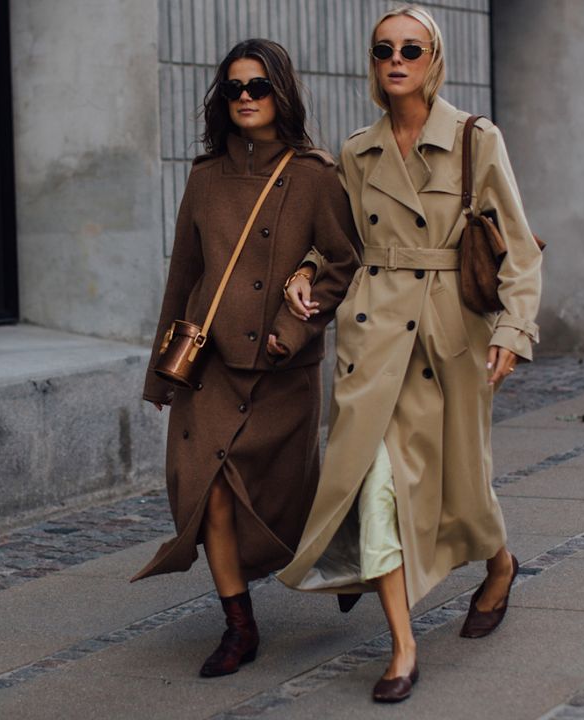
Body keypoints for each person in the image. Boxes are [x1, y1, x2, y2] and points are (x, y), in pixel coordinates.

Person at [277, 4, 543, 703]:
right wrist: (306, 272)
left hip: (448, 335)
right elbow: (340, 243)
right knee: (379, 486)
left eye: (411, 49)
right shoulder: (356, 150)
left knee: (462, 486)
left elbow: (516, 245)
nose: (396, 60)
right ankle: (402, 647)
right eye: (383, 49)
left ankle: (500, 561)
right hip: (373, 335)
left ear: (434, 59)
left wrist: (514, 331)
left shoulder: (476, 139)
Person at [134, 39, 361, 679]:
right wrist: (161, 369)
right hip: (207, 367)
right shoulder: (205, 178)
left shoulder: (315, 175)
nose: (244, 99)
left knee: (285, 493)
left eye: (256, 87)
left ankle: (335, 555)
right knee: (208, 495)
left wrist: (292, 326)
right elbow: (183, 275)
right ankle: (239, 627)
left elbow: (343, 263)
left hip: (279, 370)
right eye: (233, 89)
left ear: (280, 92)